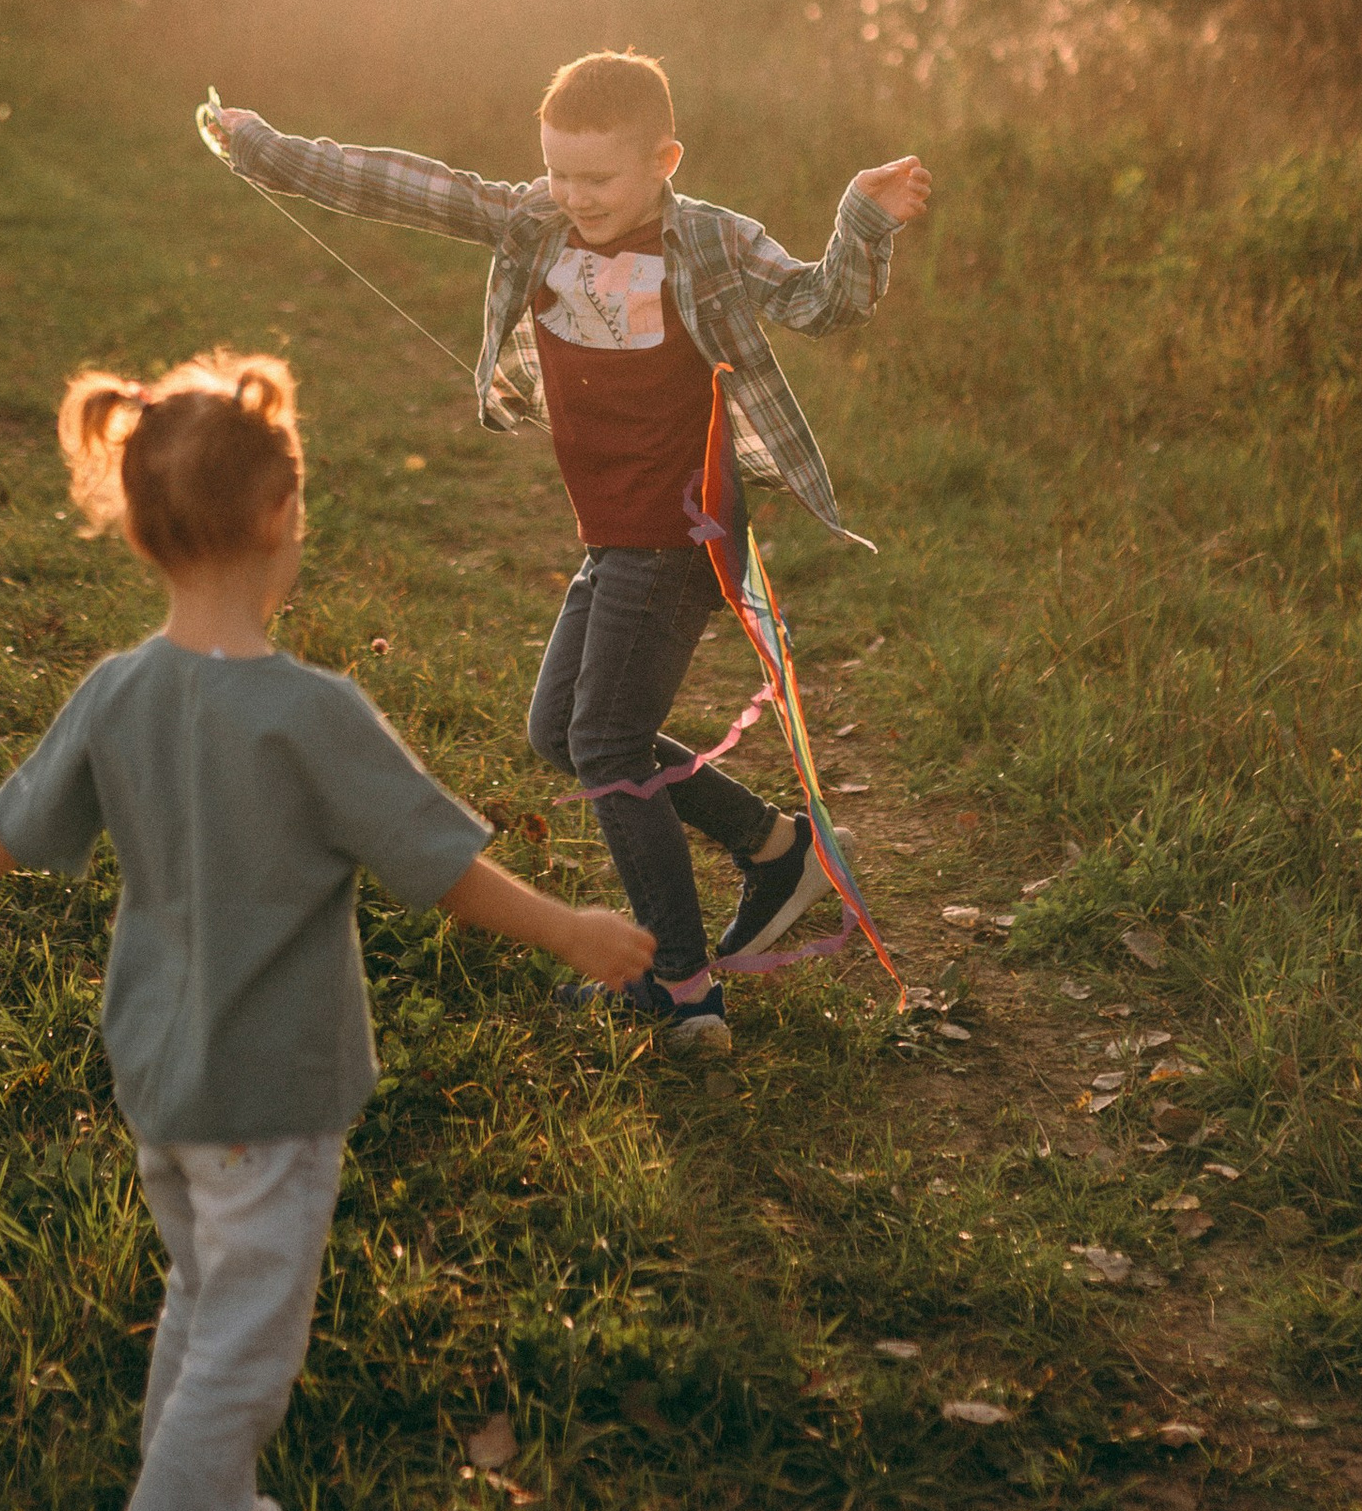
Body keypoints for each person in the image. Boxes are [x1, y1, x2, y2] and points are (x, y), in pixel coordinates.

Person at [0, 348, 653, 1511]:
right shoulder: (312, 715)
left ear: (140, 528)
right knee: (246, 1343)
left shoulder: (118, 691)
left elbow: (12, 819)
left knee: (204, 1298)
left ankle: (214, 1502)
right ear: (282, 521)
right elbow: (444, 870)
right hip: (268, 1096)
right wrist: (577, 932)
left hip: (159, 1083)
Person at [205, 53, 930, 1061]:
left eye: (600, 178)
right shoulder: (534, 219)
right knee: (562, 729)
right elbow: (410, 185)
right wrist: (264, 149)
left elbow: (820, 303)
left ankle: (678, 990)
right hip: (611, 532)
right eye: (560, 173)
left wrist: (860, 219)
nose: (577, 197)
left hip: (679, 532)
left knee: (602, 744)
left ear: (664, 159)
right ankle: (774, 844)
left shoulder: (710, 239)